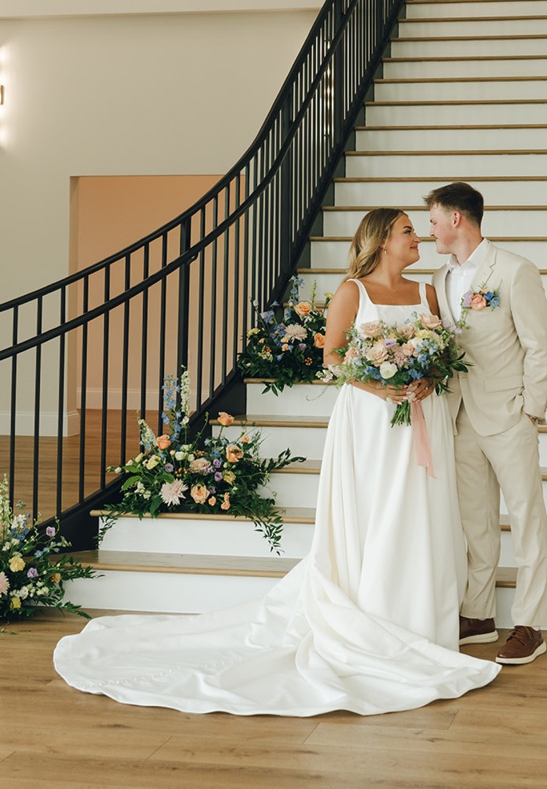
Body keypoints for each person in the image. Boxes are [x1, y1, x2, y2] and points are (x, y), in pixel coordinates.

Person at [54, 209, 500, 714]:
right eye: (405, 231)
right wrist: (378, 383)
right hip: (372, 422)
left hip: (424, 417)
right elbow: (333, 359)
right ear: (380, 241)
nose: (416, 237)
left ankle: (423, 624)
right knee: (377, 512)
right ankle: (372, 616)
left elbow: (440, 355)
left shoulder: (427, 292)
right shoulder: (353, 292)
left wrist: (427, 378)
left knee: (424, 512)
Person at [424, 182, 547, 666]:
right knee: (474, 522)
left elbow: (539, 343)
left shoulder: (516, 271)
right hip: (458, 417)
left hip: (508, 414)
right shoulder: (439, 279)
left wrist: (531, 407)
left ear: (457, 219)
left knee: (526, 518)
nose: (429, 231)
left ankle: (530, 624)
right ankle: (478, 614)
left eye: (434, 220)